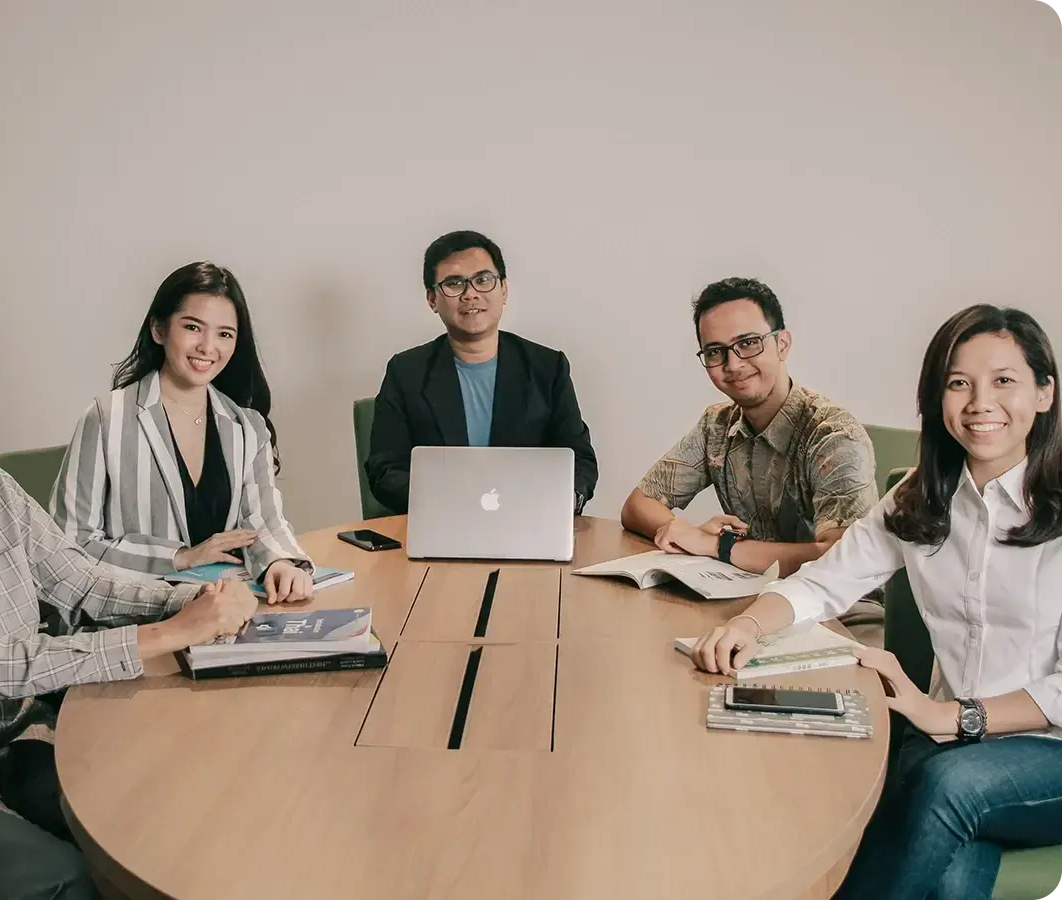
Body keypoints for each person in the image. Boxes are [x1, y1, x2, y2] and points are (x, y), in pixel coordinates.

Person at [0, 277, 262, 897]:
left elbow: (83, 581)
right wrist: (171, 632)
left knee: (167, 823)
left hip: (13, 747)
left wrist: (196, 598)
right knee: (76, 880)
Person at [689, 304, 1062, 899]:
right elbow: (822, 580)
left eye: (1004, 381)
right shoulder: (920, 498)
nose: (978, 403)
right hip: (951, 747)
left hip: (1041, 748)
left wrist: (955, 715)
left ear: (1044, 393)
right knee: (951, 864)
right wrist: (751, 624)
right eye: (958, 382)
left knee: (947, 788)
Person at [620, 276, 882, 641]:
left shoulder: (833, 435)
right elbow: (638, 505)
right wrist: (690, 534)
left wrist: (719, 547)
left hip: (841, 613)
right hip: (750, 601)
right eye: (715, 351)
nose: (733, 364)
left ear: (782, 343)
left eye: (748, 343)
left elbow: (839, 559)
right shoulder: (717, 425)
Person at [52, 261, 313, 603]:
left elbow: (262, 520)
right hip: (135, 618)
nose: (208, 347)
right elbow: (70, 543)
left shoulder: (247, 425)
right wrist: (179, 558)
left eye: (224, 334)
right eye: (193, 327)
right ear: (159, 330)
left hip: (225, 612)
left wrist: (281, 563)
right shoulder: (107, 417)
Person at [365, 230, 598, 514]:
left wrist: (564, 502)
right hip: (440, 522)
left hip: (528, 521)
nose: (470, 293)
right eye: (454, 283)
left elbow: (579, 460)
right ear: (432, 299)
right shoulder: (406, 372)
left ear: (504, 290)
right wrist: (453, 504)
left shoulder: (548, 368)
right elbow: (385, 469)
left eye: (483, 280)